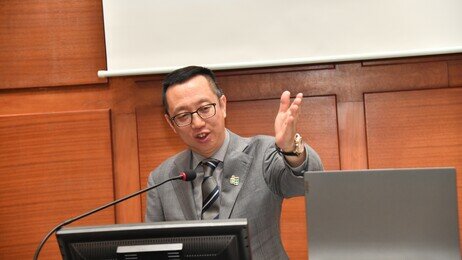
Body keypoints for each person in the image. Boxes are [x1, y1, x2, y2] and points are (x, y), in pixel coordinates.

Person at [146, 66, 323, 259]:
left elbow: (309, 182)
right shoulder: (162, 178)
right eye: (182, 116)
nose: (197, 123)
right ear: (171, 124)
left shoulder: (262, 153)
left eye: (205, 108)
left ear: (222, 105)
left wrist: (290, 149)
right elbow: (153, 250)